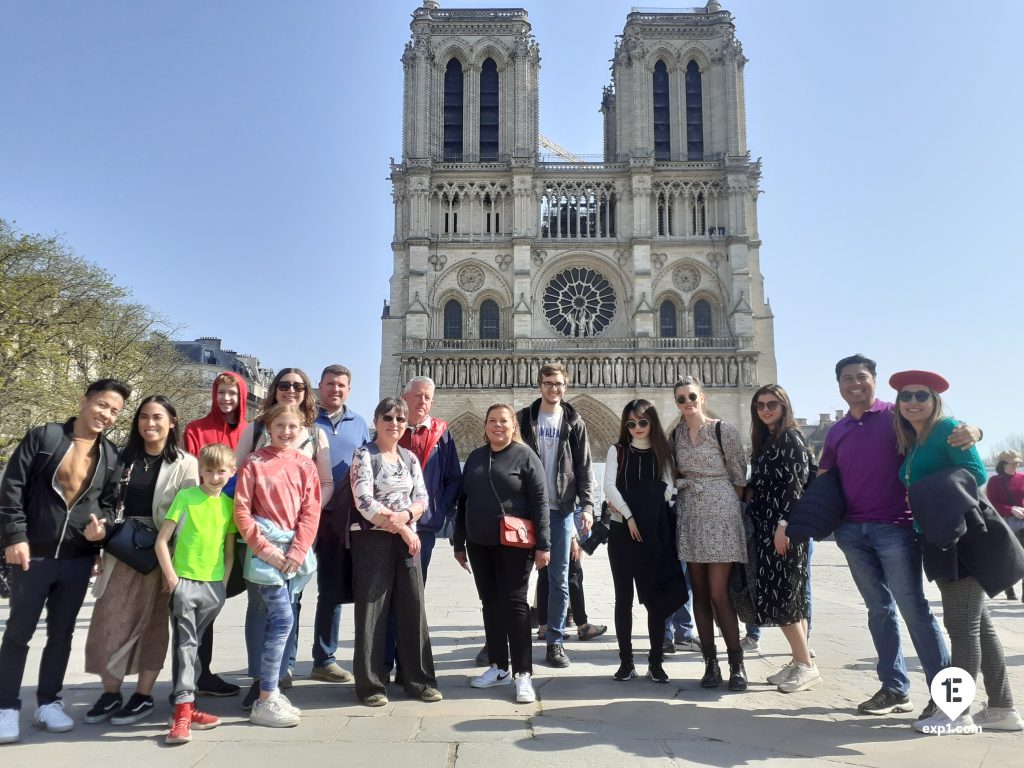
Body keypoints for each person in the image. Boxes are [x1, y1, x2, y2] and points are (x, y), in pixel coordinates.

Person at [819, 354, 972, 721]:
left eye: (861, 376)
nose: (854, 384)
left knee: (914, 609)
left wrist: (973, 430)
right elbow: (825, 473)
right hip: (852, 530)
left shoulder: (897, 415)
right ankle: (894, 687)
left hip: (895, 526)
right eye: (847, 378)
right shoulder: (836, 431)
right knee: (878, 611)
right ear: (838, 385)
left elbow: (939, 428)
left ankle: (947, 699)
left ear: (874, 379)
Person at [0, 378, 129, 744]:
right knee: (18, 634)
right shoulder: (44, 437)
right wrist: (15, 537)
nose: (107, 414)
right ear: (84, 400)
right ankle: (6, 707)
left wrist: (100, 531)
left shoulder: (112, 455)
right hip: (33, 553)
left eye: (115, 411)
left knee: (61, 635)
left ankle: (48, 702)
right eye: (102, 405)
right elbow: (11, 488)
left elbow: (106, 503)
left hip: (75, 557)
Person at [892, 369, 1022, 733]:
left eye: (922, 395)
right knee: (979, 624)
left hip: (962, 536)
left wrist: (921, 494)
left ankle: (955, 712)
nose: (913, 401)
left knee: (961, 626)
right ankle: (1002, 708)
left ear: (935, 401)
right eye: (906, 396)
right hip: (942, 535)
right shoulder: (917, 439)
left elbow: (975, 472)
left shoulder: (947, 428)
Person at [84, 396, 200, 726]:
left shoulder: (185, 464)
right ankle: (110, 692)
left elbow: (188, 519)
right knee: (108, 621)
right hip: (120, 548)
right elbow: (104, 506)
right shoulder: (121, 459)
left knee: (151, 626)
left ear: (172, 422)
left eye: (158, 417)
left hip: (160, 553)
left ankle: (143, 695)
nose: (150, 423)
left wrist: (175, 567)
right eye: (144, 417)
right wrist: (98, 547)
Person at [236, 367, 333, 707]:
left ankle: (281, 670)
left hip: (299, 535)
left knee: (289, 605)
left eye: (298, 385)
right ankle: (260, 677)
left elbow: (321, 485)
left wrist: (303, 535)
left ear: (307, 392)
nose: (291, 389)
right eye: (284, 384)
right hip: (262, 537)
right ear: (274, 390)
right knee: (260, 608)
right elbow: (240, 488)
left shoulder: (316, 435)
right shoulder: (254, 431)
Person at [455, 404, 551, 704]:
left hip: (514, 544)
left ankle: (523, 674)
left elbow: (540, 503)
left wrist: (544, 545)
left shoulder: (525, 456)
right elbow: (463, 502)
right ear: (485, 426)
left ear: (513, 426)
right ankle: (498, 667)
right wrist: (458, 543)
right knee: (490, 604)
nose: (498, 426)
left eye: (504, 421)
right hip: (479, 542)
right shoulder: (475, 457)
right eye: (492, 421)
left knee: (514, 604)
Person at [349, 397, 441, 707]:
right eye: (387, 417)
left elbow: (422, 498)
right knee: (372, 608)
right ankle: (370, 684)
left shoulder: (410, 458)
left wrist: (407, 519)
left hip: (407, 537)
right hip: (373, 539)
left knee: (413, 605)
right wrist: (401, 526)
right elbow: (363, 501)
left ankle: (418, 679)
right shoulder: (364, 455)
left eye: (400, 419)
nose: (395, 423)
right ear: (376, 421)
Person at [670, 376, 748, 691]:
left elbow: (739, 475)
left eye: (691, 397)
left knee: (718, 592)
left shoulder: (723, 430)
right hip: (690, 511)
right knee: (699, 593)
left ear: (703, 397)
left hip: (721, 511)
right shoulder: (674, 434)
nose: (687, 403)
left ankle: (736, 663)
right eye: (680, 399)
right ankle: (710, 664)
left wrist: (730, 510)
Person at [155, 443, 237, 744]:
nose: (215, 477)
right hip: (185, 582)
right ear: (200, 471)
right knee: (186, 646)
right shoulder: (186, 497)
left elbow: (229, 552)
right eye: (209, 471)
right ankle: (181, 712)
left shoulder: (228, 505)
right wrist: (173, 578)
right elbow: (162, 541)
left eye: (221, 471)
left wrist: (223, 585)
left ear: (232, 472)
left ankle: (188, 707)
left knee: (194, 647)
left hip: (213, 587)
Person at [517, 362, 595, 669]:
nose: (554, 388)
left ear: (566, 386)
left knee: (559, 579)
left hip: (561, 510)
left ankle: (556, 641)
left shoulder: (575, 421)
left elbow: (585, 468)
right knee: (517, 579)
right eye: (549, 383)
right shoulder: (524, 419)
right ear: (540, 385)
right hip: (527, 510)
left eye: (559, 384)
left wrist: (586, 507)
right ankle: (508, 638)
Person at [603, 400, 685, 683]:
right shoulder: (617, 450)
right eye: (631, 423)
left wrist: (640, 510)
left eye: (642, 422)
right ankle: (626, 662)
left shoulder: (663, 453)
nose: (636, 428)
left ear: (652, 422)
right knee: (622, 599)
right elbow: (609, 486)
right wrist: (629, 515)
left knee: (655, 598)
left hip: (652, 531)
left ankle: (655, 662)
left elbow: (668, 489)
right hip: (622, 531)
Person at [744, 385, 818, 693]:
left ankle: (806, 665)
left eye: (772, 404)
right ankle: (798, 661)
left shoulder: (790, 438)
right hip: (768, 527)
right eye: (760, 405)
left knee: (786, 596)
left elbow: (796, 486)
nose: (765, 409)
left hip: (784, 528)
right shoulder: (768, 441)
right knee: (790, 596)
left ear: (784, 406)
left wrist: (783, 525)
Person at [180, 371, 249, 698]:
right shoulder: (196, 429)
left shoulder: (249, 431)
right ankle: (193, 677)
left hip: (240, 526)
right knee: (195, 608)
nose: (226, 399)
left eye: (232, 393)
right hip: (204, 527)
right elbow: (192, 477)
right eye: (221, 392)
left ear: (242, 396)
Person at [310, 364, 369, 684]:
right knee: (289, 592)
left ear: (349, 389)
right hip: (303, 516)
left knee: (331, 589)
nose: (335, 389)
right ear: (319, 386)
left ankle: (324, 658)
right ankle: (283, 663)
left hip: (339, 517)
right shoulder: (304, 420)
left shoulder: (359, 423)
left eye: (341, 385)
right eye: (330, 383)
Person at [534, 508, 607, 643]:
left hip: (542, 523)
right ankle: (582, 626)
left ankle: (544, 626)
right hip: (560, 524)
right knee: (575, 574)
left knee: (544, 576)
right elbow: (562, 503)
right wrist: (573, 537)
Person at [985, 450, 1024, 601]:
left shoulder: (1022, 478)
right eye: (1013, 463)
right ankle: (1009, 589)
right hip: (1005, 524)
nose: (1017, 465)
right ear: (1003, 464)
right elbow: (991, 504)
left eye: (1018, 462)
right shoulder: (994, 481)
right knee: (1010, 557)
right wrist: (1010, 509)